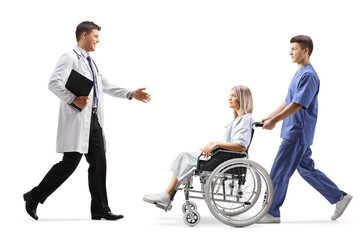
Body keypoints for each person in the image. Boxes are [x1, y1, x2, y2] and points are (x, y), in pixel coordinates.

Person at [23, 21, 151, 221]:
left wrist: (130, 94)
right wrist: (72, 98)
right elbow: (53, 83)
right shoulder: (69, 57)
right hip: (78, 120)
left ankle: (100, 209)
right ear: (84, 35)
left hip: (94, 121)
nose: (98, 40)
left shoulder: (91, 61)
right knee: (69, 164)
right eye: (96, 36)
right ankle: (33, 196)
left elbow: (103, 84)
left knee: (99, 163)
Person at [259, 35, 352, 223]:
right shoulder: (300, 73)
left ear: (305, 50)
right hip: (295, 130)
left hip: (297, 132)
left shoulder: (309, 75)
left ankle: (270, 212)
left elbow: (298, 104)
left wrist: (275, 120)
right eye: (290, 48)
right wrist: (270, 116)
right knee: (307, 170)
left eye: (294, 49)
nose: (290, 52)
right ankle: (339, 197)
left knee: (279, 170)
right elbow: (288, 100)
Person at [143, 85, 254, 210]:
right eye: (230, 95)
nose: (230, 98)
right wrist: (213, 144)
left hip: (225, 159)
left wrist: (216, 144)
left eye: (234, 96)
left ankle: (166, 195)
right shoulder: (239, 119)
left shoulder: (245, 119)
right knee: (184, 157)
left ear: (242, 99)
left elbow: (241, 146)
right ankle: (167, 194)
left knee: (184, 156)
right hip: (222, 156)